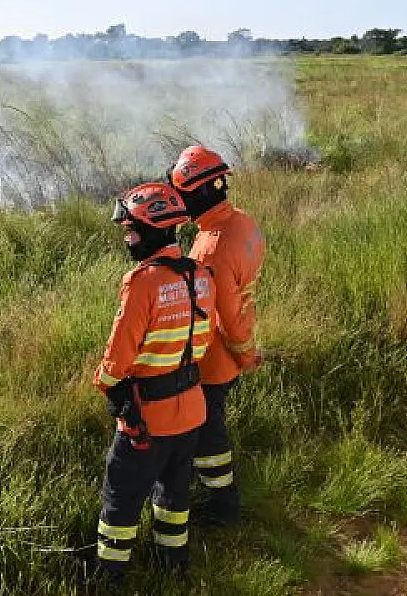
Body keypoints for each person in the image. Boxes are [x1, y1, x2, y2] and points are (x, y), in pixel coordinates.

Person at [90, 182, 216, 587]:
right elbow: (202, 339)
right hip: (191, 412)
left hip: (146, 421)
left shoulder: (141, 282)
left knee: (121, 501)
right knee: (174, 498)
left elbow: (117, 359)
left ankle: (110, 577)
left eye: (132, 231)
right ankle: (174, 567)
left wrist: (106, 383)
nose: (127, 239)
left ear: (156, 231)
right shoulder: (201, 276)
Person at [167, 145, 266, 526]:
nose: (182, 205)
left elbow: (226, 316)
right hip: (232, 348)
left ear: (202, 192)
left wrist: (245, 355)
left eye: (185, 197)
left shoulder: (211, 249)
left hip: (215, 360)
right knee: (209, 426)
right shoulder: (243, 222)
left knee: (210, 435)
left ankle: (223, 505)